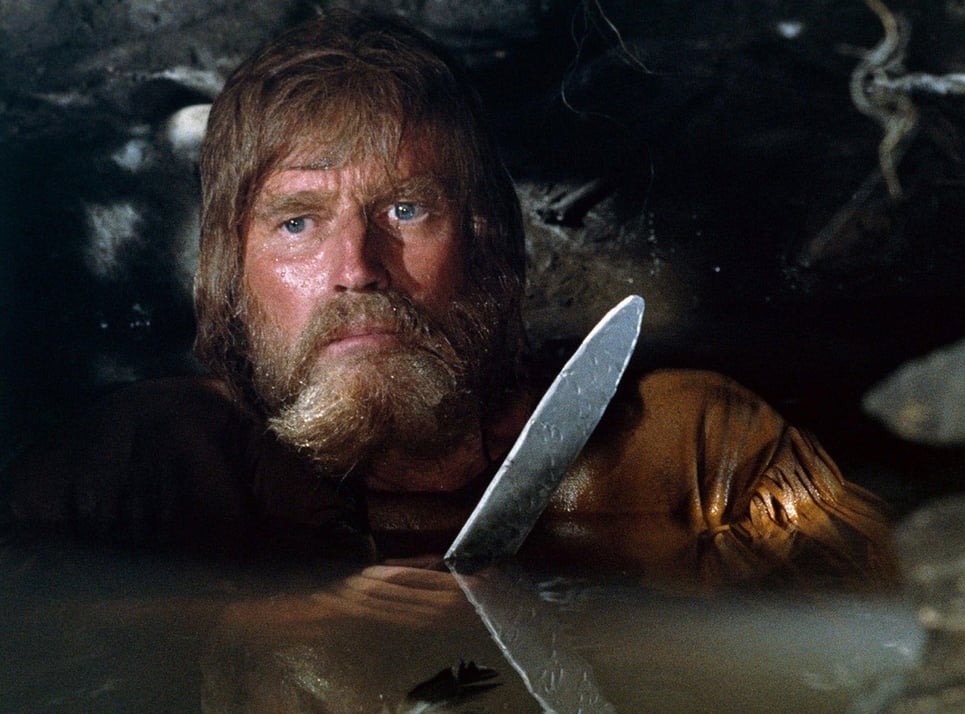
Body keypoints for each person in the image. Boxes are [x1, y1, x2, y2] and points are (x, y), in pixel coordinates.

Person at [1, 11, 895, 589]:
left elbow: (901, 629)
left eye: (405, 210)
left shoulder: (693, 454)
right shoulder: (141, 468)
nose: (357, 269)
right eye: (298, 222)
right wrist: (261, 633)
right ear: (231, 277)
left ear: (487, 240)